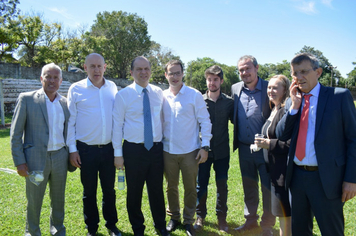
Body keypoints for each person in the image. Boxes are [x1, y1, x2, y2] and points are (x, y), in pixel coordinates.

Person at [277, 53, 356, 236]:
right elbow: (281, 135)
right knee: (299, 231)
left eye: (304, 71)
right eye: (295, 73)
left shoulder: (339, 97)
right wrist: (294, 107)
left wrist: (351, 179)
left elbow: (353, 139)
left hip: (327, 179)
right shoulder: (292, 100)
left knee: (332, 231)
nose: (299, 77)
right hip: (297, 177)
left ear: (318, 72)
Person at [10, 63, 70, 236]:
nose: (52, 80)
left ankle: (58, 230)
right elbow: (15, 134)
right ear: (41, 78)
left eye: (55, 77)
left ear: (61, 80)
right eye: (48, 77)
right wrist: (20, 162)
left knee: (58, 200)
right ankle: (32, 232)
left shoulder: (65, 103)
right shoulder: (27, 99)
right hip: (35, 159)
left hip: (60, 158)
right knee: (34, 200)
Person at [112, 56, 169, 236]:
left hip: (155, 149)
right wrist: (118, 154)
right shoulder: (123, 95)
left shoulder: (159, 92)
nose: (143, 72)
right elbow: (117, 126)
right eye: (139, 69)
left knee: (156, 190)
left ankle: (160, 225)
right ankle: (138, 228)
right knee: (134, 192)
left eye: (146, 69)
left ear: (151, 71)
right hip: (133, 150)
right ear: (131, 72)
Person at [67, 53, 121, 236]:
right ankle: (92, 227)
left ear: (105, 67)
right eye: (92, 66)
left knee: (109, 190)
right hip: (85, 150)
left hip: (108, 149)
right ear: (85, 67)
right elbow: (71, 122)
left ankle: (111, 224)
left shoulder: (113, 87)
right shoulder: (75, 89)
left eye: (100, 66)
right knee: (89, 191)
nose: (96, 70)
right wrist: (73, 150)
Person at [162, 60, 212, 236]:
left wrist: (204, 146)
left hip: (190, 151)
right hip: (167, 150)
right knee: (171, 187)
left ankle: (188, 221)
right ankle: (174, 217)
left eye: (178, 73)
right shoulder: (162, 96)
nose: (174, 77)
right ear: (166, 75)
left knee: (190, 187)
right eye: (171, 73)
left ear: (183, 74)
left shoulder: (194, 95)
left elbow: (205, 121)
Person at [231, 55, 275, 236]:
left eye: (248, 68)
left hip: (264, 148)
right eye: (241, 70)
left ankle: (267, 226)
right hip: (244, 148)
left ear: (256, 68)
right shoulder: (235, 89)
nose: (244, 73)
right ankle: (250, 221)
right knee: (249, 185)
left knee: (267, 187)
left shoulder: (269, 88)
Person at [194, 65, 233, 233]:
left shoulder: (229, 103)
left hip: (222, 151)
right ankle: (200, 216)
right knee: (201, 185)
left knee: (222, 185)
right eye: (209, 79)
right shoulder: (199, 101)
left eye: (215, 79)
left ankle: (221, 218)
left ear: (221, 81)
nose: (212, 82)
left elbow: (237, 122)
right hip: (203, 151)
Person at [254, 75, 291, 236]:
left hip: (282, 170)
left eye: (275, 87)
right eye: (269, 87)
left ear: (285, 90)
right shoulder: (273, 108)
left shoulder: (285, 111)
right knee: (280, 210)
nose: (271, 91)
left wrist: (268, 144)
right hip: (273, 169)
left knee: (285, 214)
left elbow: (290, 144)